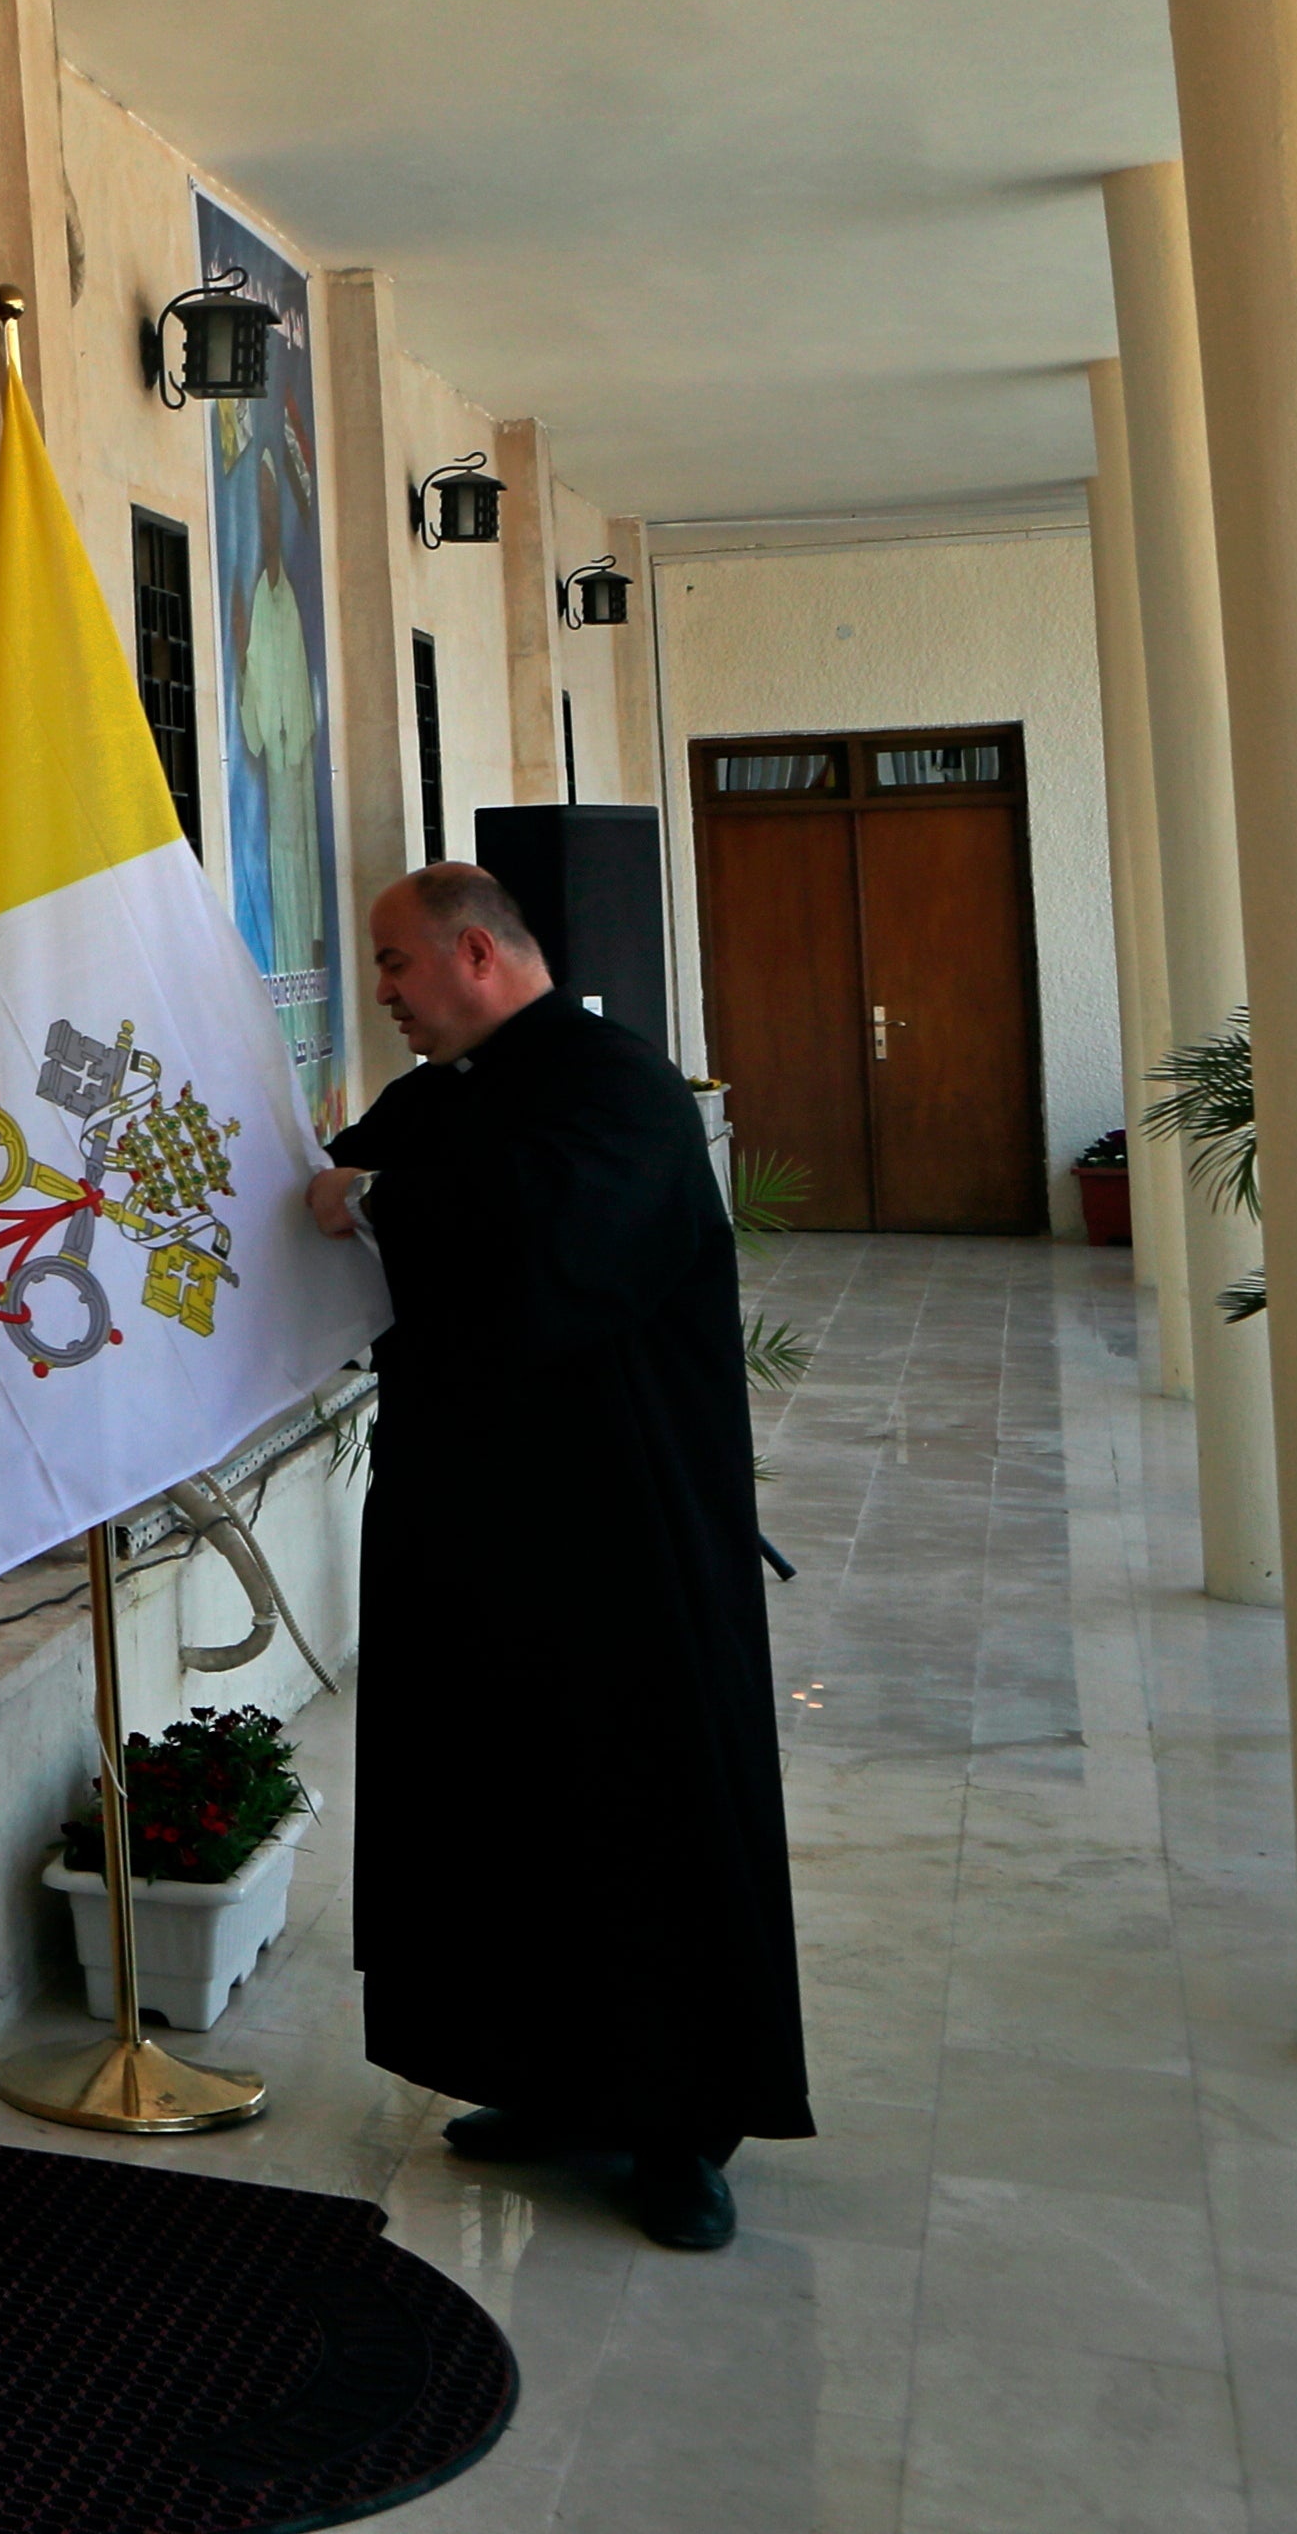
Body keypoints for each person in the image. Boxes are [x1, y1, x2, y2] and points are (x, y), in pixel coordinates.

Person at [301, 863, 808, 2250]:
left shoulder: (614, 1087)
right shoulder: (452, 1092)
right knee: (502, 1807)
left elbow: (547, 1244)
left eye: (398, 965)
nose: (387, 996)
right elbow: (347, 1174)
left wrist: (381, 1201)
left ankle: (676, 2132)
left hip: (621, 1540)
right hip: (478, 1533)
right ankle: (549, 2080)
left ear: (476, 952)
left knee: (640, 1811)